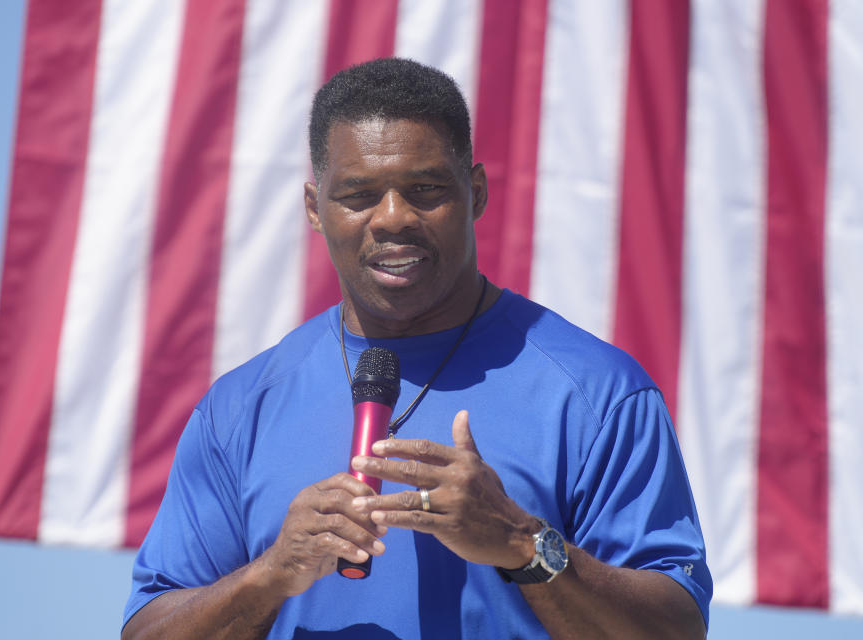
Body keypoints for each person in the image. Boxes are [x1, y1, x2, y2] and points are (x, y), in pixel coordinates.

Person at [122, 57, 712, 639]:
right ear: (314, 208)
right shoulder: (239, 408)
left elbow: (676, 631)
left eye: (426, 189)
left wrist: (519, 542)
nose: (394, 218)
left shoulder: (597, 394)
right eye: (358, 195)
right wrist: (271, 574)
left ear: (475, 193)